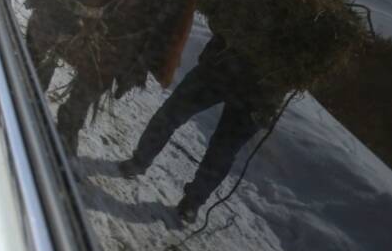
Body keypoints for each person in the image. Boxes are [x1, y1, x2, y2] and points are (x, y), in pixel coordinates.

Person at [118, 35, 286, 224]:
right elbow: (219, 12)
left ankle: (192, 202)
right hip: (220, 67)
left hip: (259, 94)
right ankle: (140, 160)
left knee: (223, 151)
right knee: (171, 113)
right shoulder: (257, 8)